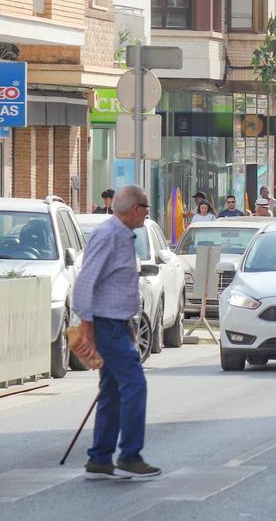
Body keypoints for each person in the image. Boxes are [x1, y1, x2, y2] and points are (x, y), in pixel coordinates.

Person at [71, 185, 161, 480]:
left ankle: (99, 457)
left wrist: (129, 326)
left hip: (117, 324)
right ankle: (129, 455)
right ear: (135, 209)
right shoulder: (108, 234)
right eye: (146, 207)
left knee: (111, 391)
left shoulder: (122, 236)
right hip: (105, 325)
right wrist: (87, 330)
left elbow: (116, 285)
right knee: (134, 384)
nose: (148, 213)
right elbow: (86, 282)